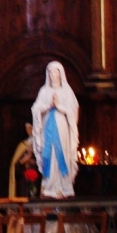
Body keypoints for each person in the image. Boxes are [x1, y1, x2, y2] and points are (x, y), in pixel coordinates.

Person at [31, 61, 79, 198]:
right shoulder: (44, 91)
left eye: (55, 71)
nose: (53, 75)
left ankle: (63, 185)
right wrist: (47, 106)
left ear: (60, 73)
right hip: (47, 128)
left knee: (61, 152)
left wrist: (59, 106)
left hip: (62, 128)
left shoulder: (67, 92)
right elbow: (36, 109)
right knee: (49, 153)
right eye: (50, 72)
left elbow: (73, 111)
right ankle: (49, 186)